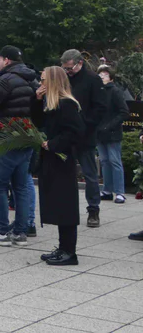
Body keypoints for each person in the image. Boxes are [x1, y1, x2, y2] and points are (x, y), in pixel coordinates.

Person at [0, 45, 38, 247]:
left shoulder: (5, 80)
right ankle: (20, 232)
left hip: (5, 137)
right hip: (26, 136)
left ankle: (2, 231)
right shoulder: (33, 79)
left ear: (8, 61)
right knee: (20, 186)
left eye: (0, 60)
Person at [32, 66, 86, 266]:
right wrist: (36, 100)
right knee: (57, 202)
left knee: (65, 205)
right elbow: (38, 122)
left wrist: (53, 144)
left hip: (62, 159)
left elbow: (76, 132)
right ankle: (63, 247)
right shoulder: (52, 103)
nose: (41, 83)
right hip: (52, 158)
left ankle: (69, 251)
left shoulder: (67, 104)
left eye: (44, 80)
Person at [60, 49, 108, 227]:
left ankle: (93, 210)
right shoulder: (65, 79)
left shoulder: (92, 80)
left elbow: (100, 108)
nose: (67, 71)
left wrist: (86, 124)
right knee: (65, 173)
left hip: (85, 134)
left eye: (70, 68)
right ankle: (67, 208)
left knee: (89, 174)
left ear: (79, 63)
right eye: (64, 68)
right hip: (66, 134)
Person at [97, 66, 129, 204]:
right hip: (99, 133)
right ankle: (107, 190)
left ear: (111, 77)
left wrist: (109, 126)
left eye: (105, 74)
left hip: (113, 133)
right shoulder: (98, 91)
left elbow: (124, 112)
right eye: (100, 74)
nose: (102, 76)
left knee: (115, 161)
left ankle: (120, 192)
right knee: (104, 161)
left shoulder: (115, 91)